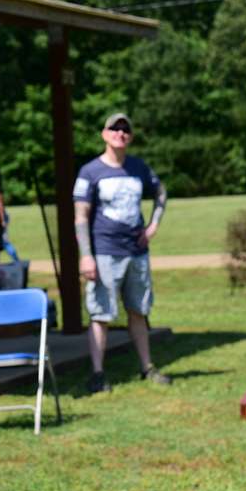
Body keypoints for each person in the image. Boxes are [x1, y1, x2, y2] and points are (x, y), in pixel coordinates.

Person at [73, 112, 169, 394]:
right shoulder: (90, 172)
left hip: (137, 252)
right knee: (101, 314)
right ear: (104, 134)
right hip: (104, 252)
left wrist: (152, 226)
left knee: (138, 310)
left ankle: (147, 366)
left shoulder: (139, 168)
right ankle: (98, 374)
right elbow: (80, 216)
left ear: (131, 137)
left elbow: (161, 193)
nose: (120, 133)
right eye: (115, 128)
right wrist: (86, 255)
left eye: (125, 129)